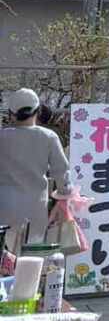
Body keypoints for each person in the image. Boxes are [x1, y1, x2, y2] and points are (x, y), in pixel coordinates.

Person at [0, 87, 70, 250]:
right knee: (31, 259)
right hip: (35, 208)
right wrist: (64, 198)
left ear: (11, 113)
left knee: (5, 258)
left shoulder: (2, 136)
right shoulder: (48, 137)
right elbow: (62, 177)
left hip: (4, 206)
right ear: (38, 111)